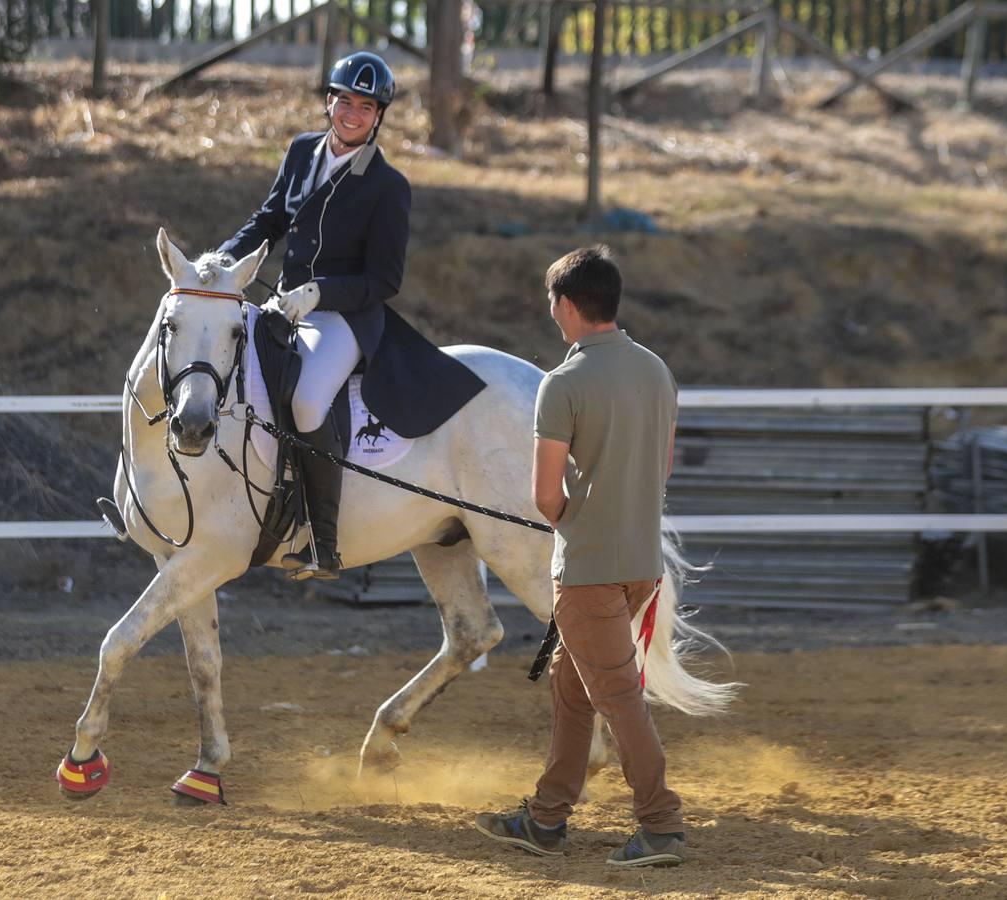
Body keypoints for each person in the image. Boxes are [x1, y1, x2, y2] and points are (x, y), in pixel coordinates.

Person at [217, 51, 482, 580]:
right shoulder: (299, 153)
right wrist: (220, 263)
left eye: (366, 106)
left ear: (378, 115)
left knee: (308, 401)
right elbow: (269, 219)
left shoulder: (388, 187)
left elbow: (384, 281)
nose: (352, 114)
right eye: (344, 101)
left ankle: (324, 540)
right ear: (328, 103)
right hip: (286, 304)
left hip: (343, 318)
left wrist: (318, 293)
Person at [473, 246, 686, 868]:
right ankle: (545, 820)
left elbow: (545, 495)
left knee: (618, 697)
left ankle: (662, 825)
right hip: (643, 563)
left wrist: (575, 524)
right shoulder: (656, 371)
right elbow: (662, 469)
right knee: (574, 689)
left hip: (589, 569)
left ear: (567, 305)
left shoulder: (562, 384)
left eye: (552, 305)